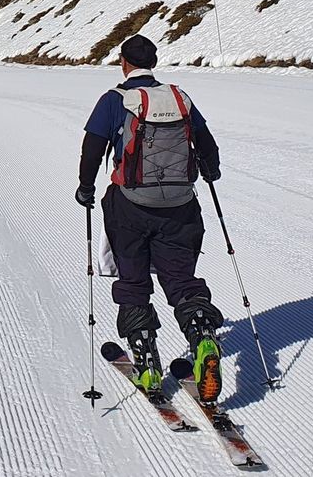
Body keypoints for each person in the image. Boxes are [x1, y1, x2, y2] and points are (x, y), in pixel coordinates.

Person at [75, 34, 226, 402]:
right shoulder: (178, 97)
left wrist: (85, 187)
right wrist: (211, 171)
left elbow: (92, 148)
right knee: (181, 278)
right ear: (153, 62)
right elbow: (206, 144)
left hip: (129, 205)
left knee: (134, 279)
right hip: (180, 205)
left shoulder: (114, 100)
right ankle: (203, 334)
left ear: (124, 62)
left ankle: (146, 363)